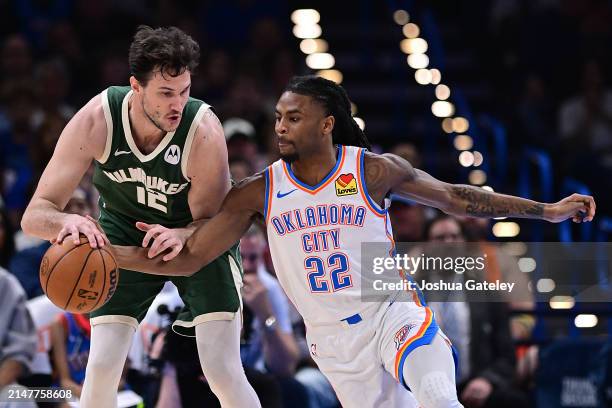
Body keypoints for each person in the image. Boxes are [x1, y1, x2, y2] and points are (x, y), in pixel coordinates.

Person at [114, 75, 596, 408]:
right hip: (333, 343)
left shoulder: (371, 169)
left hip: (392, 312)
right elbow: (193, 254)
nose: (280, 126)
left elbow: (456, 197)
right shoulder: (262, 190)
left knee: (437, 395)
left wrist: (546, 210)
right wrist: (117, 254)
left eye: (294, 117)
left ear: (326, 123)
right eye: (279, 117)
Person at [21, 26, 260, 407]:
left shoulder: (203, 132)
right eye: (165, 93)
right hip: (122, 231)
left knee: (222, 369)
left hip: (197, 239)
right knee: (100, 367)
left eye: (184, 92)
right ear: (136, 86)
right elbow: (35, 215)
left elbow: (213, 225)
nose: (177, 105)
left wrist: (183, 235)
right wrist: (68, 222)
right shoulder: (97, 120)